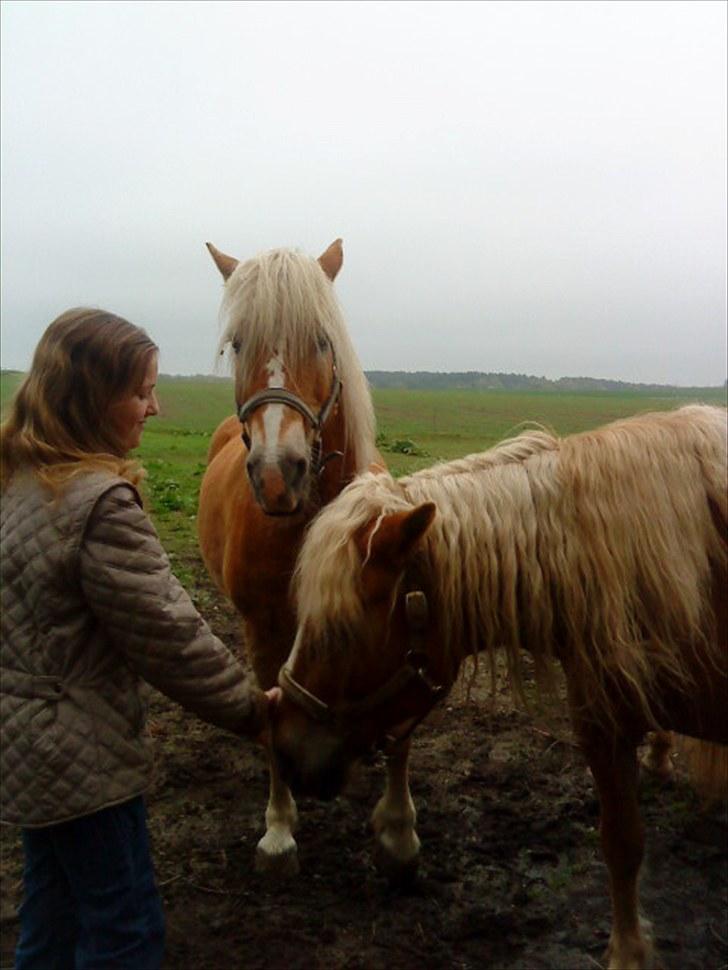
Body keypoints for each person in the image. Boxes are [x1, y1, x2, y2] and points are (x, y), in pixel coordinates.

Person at [0, 308, 276, 970]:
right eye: (141, 391)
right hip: (81, 759)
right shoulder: (98, 504)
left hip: (25, 750)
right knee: (125, 931)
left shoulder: (15, 481)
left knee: (51, 916)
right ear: (94, 399)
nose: (156, 407)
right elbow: (170, 637)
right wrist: (253, 710)